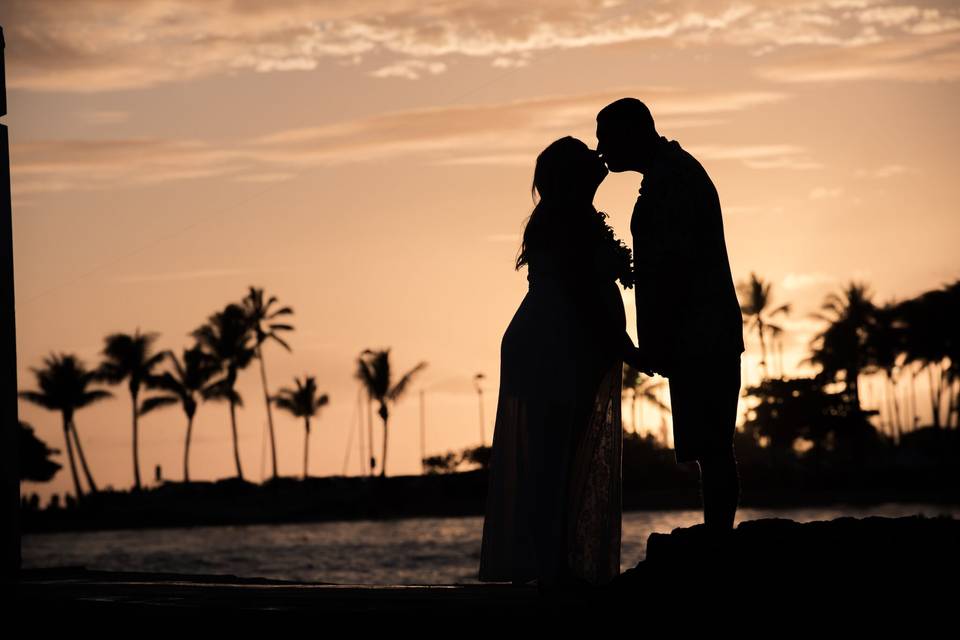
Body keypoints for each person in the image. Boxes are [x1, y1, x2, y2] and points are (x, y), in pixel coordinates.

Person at [478, 136, 642, 591]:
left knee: (561, 456)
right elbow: (584, 289)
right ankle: (551, 568)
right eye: (586, 154)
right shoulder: (566, 219)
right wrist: (624, 344)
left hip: (565, 340)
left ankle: (555, 563)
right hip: (554, 342)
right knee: (552, 457)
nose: (598, 155)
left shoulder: (575, 216)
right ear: (572, 173)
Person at [596, 98, 745, 535]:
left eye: (606, 137)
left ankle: (719, 536)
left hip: (701, 333)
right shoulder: (669, 174)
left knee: (714, 446)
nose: (601, 148)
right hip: (697, 332)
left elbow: (675, 267)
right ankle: (718, 533)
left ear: (633, 133)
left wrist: (660, 340)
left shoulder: (674, 178)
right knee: (710, 446)